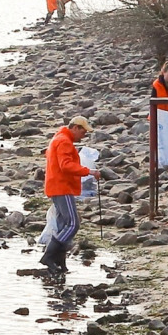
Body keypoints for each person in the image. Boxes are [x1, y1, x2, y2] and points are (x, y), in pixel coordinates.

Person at [40, 116, 101, 274]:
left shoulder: (59, 138)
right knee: (73, 224)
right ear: (75, 128)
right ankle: (48, 256)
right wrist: (89, 171)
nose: (84, 135)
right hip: (61, 187)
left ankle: (60, 262)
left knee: (63, 225)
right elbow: (66, 165)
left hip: (56, 186)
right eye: (83, 132)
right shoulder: (64, 141)